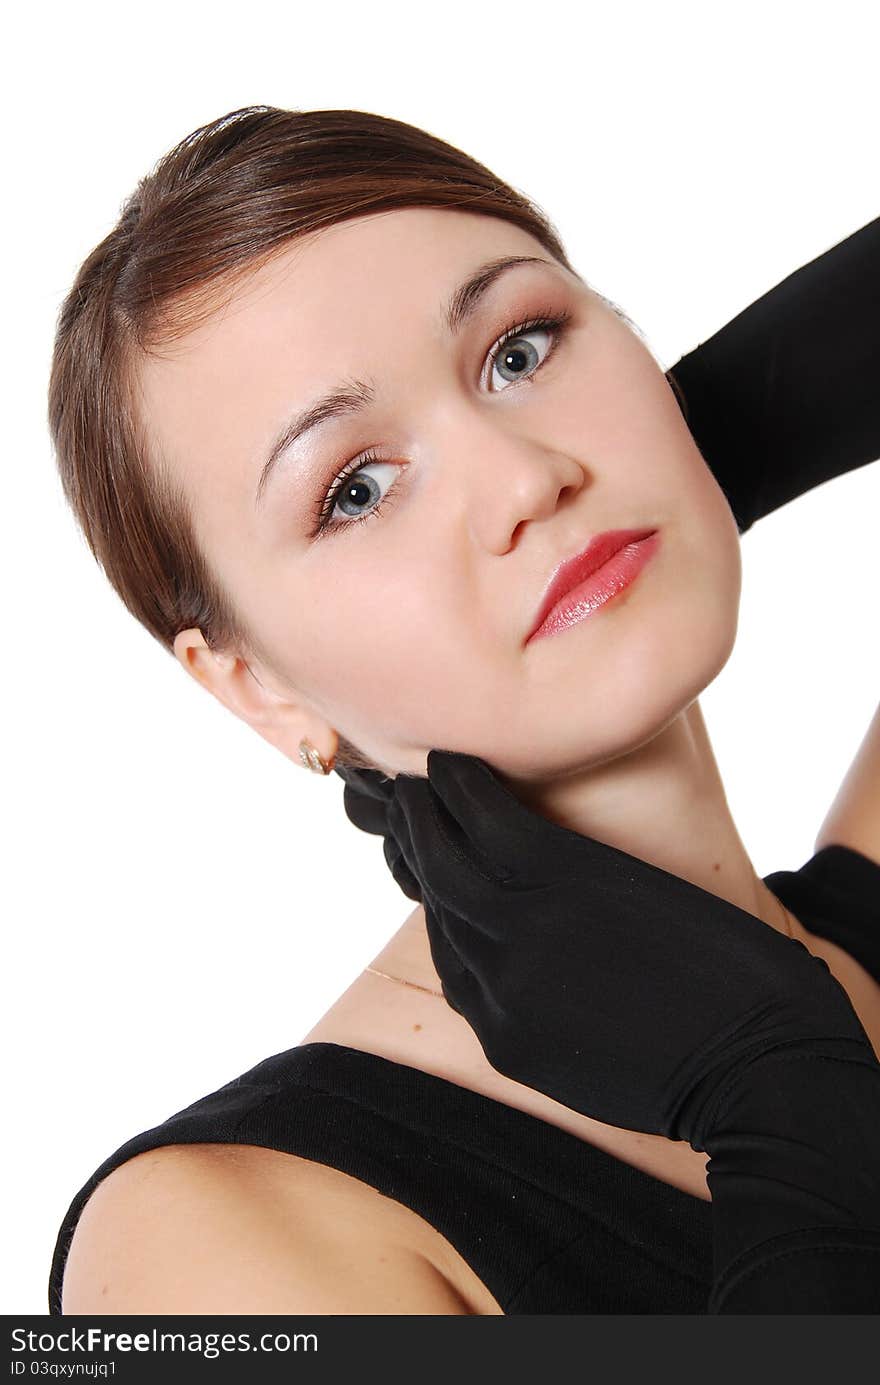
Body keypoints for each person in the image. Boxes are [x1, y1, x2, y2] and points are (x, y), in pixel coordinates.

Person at [46, 104, 879, 1315]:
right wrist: (777, 1092)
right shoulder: (220, 1248)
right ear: (257, 686)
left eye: (520, 351)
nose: (526, 476)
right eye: (357, 488)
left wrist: (694, 458)